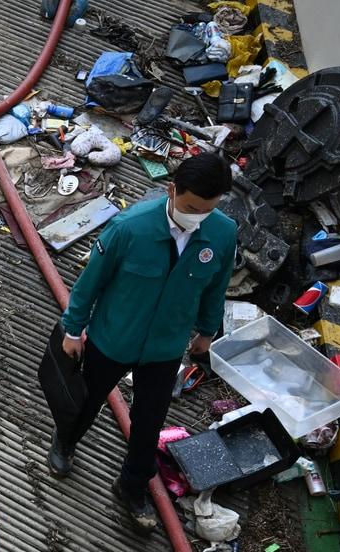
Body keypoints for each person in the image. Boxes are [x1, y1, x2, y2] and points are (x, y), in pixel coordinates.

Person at [49, 152, 237, 531]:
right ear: (171, 190)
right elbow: (90, 283)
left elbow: (216, 286)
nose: (197, 216)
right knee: (86, 402)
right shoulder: (128, 228)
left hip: (165, 348)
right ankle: (65, 441)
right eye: (190, 207)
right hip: (112, 338)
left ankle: (132, 485)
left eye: (206, 209)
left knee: (149, 422)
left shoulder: (223, 233)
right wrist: (73, 330)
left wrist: (207, 330)